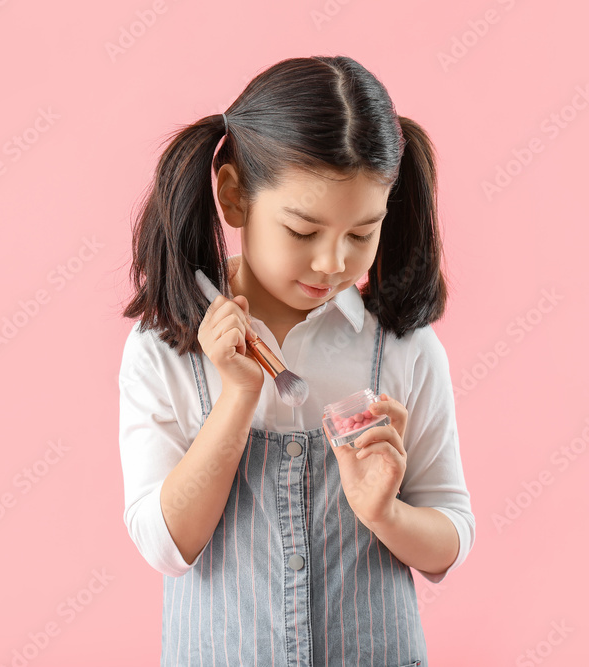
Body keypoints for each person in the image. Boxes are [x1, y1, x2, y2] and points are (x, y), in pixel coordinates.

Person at [118, 55, 474, 666]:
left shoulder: (402, 349)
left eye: (362, 234)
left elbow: (450, 538)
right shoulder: (166, 349)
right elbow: (168, 546)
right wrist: (236, 399)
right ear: (233, 196)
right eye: (304, 232)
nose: (334, 263)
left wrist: (385, 513)